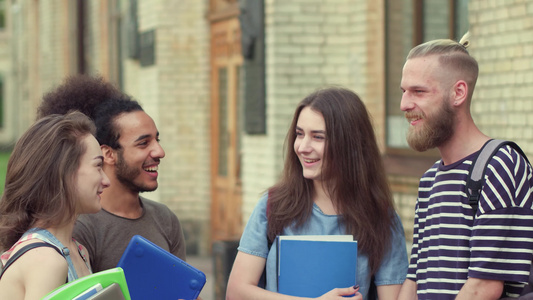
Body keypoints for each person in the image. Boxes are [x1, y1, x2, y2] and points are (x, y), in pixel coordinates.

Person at [226, 87, 408, 300]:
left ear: (350, 144)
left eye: (318, 137)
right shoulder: (273, 206)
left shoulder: (381, 218)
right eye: (299, 134)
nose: (303, 147)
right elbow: (236, 292)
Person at [397, 34, 533, 300]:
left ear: (458, 93)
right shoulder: (430, 180)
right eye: (403, 92)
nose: (404, 104)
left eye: (419, 91)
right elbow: (414, 280)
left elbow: (483, 288)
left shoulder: (500, 165)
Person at [37, 75, 187, 272]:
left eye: (157, 140)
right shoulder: (79, 227)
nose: (160, 152)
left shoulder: (166, 220)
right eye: (143, 143)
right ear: (108, 154)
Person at [0, 112, 110, 299]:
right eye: (98, 166)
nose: (106, 180)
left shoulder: (78, 251)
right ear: (65, 173)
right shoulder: (46, 260)